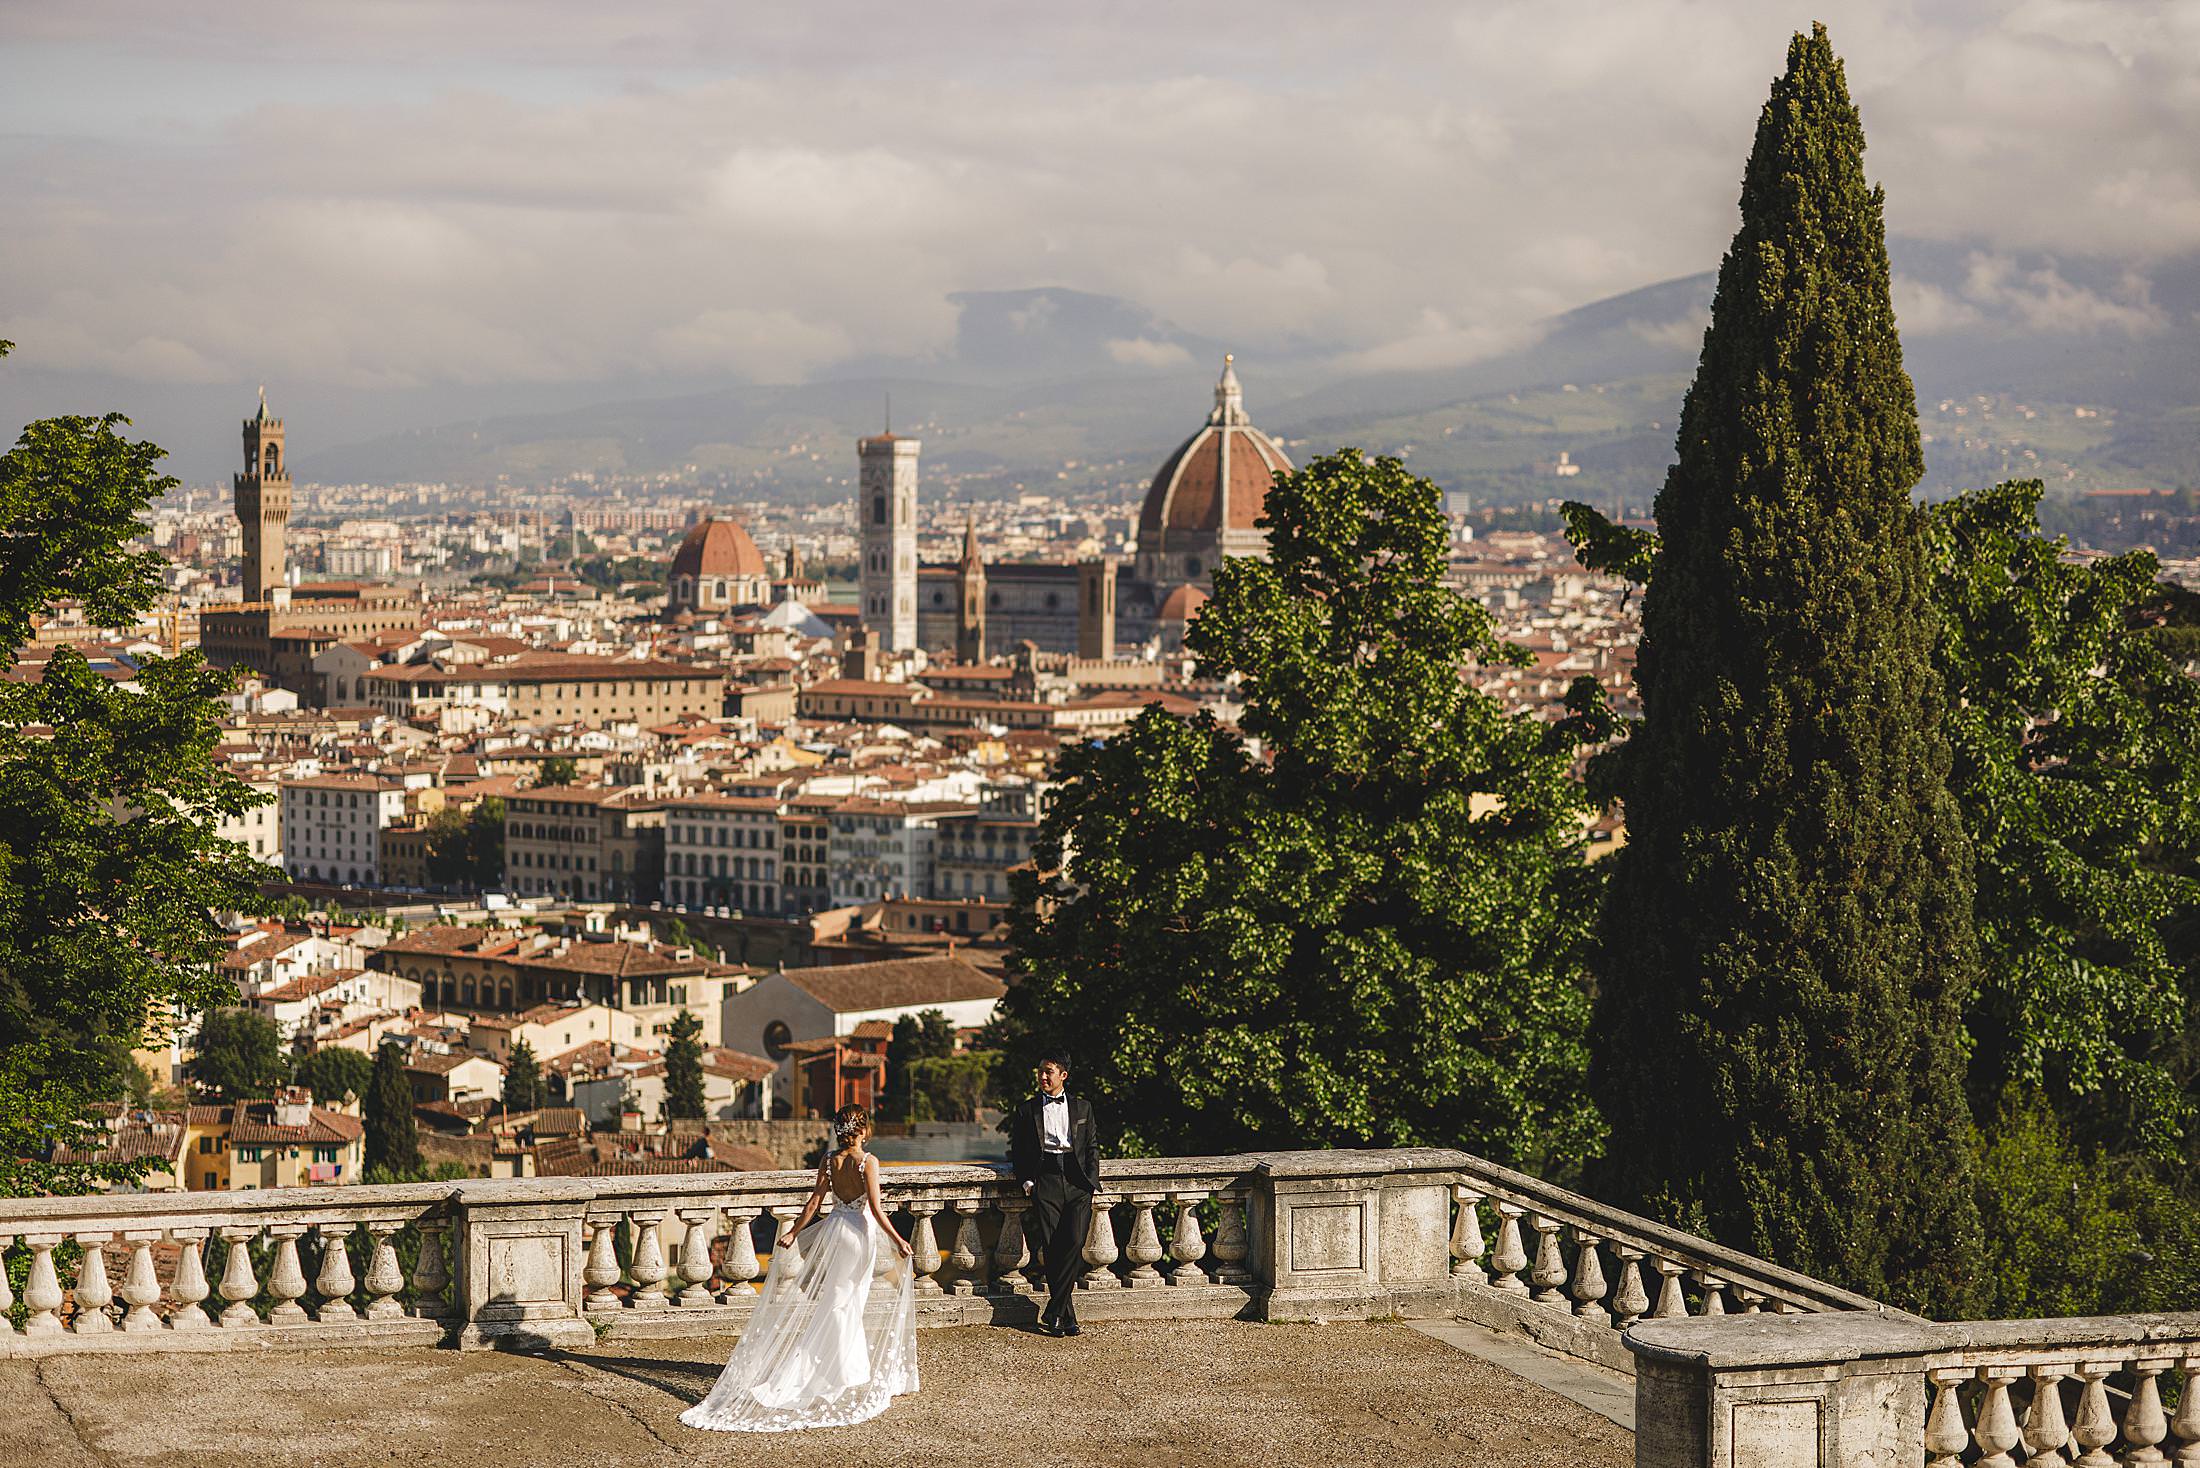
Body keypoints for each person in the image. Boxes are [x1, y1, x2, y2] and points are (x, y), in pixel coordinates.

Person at [680, 1104, 918, 1432]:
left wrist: (794, 1231)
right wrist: (899, 1240)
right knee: (848, 1302)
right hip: (859, 1237)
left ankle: (843, 1367)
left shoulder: (829, 1161)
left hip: (835, 1231)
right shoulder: (868, 1162)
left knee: (837, 1301)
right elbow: (876, 1209)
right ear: (863, 1130)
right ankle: (839, 1370)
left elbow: (814, 1203)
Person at [1008, 1051, 1101, 1336]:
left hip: (1077, 1183)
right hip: (1045, 1180)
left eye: (1048, 1071)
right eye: (1040, 1071)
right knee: (1053, 1249)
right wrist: (1027, 1182)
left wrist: (1090, 1181)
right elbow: (1018, 1150)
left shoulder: (1083, 1107)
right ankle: (1064, 1316)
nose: (1042, 1077)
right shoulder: (1026, 1110)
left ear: (1063, 1075)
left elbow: (1093, 1147)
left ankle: (1053, 1310)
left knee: (1074, 1243)